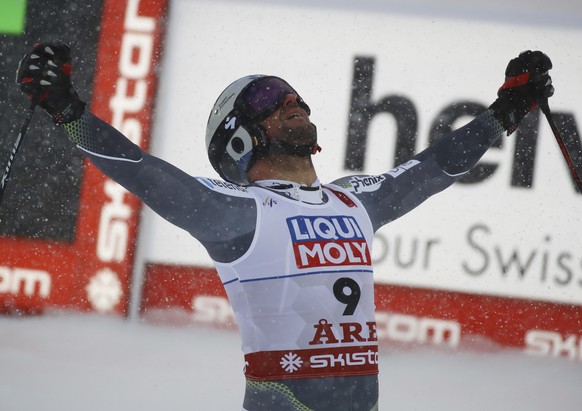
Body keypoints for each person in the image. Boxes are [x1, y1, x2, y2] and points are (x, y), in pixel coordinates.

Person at [16, 43, 553, 411]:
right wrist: (68, 112)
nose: (291, 100)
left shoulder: (353, 200)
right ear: (238, 137)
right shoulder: (237, 210)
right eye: (267, 100)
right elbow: (147, 174)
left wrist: (506, 110)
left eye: (292, 93)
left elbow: (434, 167)